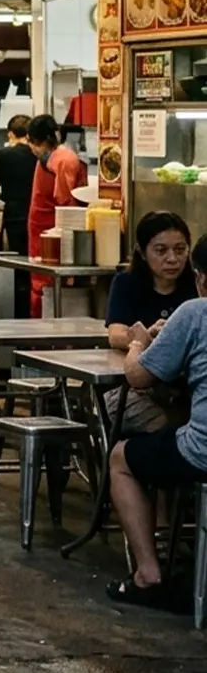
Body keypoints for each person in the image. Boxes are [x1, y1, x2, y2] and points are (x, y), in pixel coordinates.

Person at [106, 234, 207, 611]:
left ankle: (148, 575)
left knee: (121, 458)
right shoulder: (131, 285)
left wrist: (137, 344)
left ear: (200, 278)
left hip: (202, 453)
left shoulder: (195, 311)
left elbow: (138, 376)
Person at [104, 212, 196, 435]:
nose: (173, 259)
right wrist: (144, 337)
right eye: (161, 250)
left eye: (180, 249)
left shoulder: (196, 284)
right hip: (139, 388)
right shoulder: (126, 283)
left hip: (188, 386)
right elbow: (115, 334)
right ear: (142, 253)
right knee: (162, 429)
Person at [25, 114, 88, 318]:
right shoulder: (55, 158)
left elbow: (65, 201)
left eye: (32, 142)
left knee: (49, 292)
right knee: (41, 290)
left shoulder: (63, 159)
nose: (31, 149)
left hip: (55, 238)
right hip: (41, 235)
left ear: (38, 140)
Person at [0, 115, 36, 319]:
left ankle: (18, 320)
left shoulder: (2, 155)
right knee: (35, 273)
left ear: (11, 134)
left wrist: (7, 190)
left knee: (16, 274)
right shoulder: (39, 156)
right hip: (39, 221)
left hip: (14, 220)